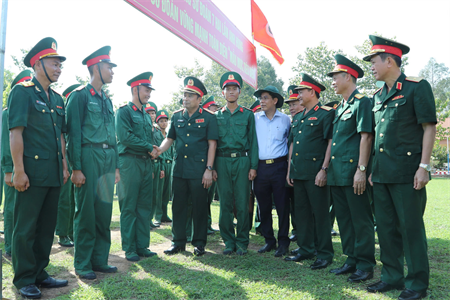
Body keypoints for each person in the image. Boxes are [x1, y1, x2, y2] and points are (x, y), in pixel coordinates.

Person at [364, 35, 436, 300]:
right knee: (385, 228)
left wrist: (424, 166)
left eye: (374, 61)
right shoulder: (378, 95)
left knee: (411, 229)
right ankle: (391, 277)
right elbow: (378, 137)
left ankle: (416, 284)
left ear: (390, 60)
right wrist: (372, 169)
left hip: (407, 173)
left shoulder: (417, 87)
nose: (371, 66)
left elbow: (429, 127)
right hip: (381, 174)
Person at [9, 37, 69, 299]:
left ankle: (39, 273)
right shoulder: (22, 92)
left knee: (46, 227)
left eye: (60, 65)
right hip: (31, 174)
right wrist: (18, 170)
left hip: (54, 173)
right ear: (38, 64)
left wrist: (65, 166)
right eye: (54, 64)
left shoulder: (56, 98)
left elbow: (61, 138)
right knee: (26, 227)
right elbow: (16, 133)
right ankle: (24, 278)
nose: (58, 68)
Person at [66, 46, 120, 280]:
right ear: (96, 68)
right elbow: (73, 135)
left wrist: (116, 165)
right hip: (88, 157)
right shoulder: (79, 96)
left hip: (108, 159)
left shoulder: (107, 100)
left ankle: (100, 260)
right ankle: (83, 263)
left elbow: (113, 135)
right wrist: (76, 168)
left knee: (103, 211)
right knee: (86, 212)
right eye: (109, 67)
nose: (112, 72)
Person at [153, 77, 218, 256]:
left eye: (190, 95)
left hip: (199, 171)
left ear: (199, 99)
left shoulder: (208, 117)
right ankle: (178, 242)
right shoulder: (176, 116)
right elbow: (170, 138)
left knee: (199, 206)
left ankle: (199, 243)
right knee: (178, 206)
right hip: (179, 169)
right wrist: (159, 149)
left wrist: (209, 169)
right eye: (184, 95)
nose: (185, 98)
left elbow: (212, 144)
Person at [326, 55, 376, 282]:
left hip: (353, 173)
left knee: (360, 219)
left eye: (335, 77)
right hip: (337, 174)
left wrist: (361, 170)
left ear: (347, 76)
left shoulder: (362, 102)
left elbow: (366, 137)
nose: (333, 82)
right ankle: (351, 259)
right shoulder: (341, 106)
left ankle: (365, 264)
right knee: (344, 219)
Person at [285, 73, 334, 270]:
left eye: (301, 91)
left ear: (312, 92)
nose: (297, 95)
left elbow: (330, 142)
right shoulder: (298, 118)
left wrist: (324, 169)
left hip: (316, 173)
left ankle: (324, 253)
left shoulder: (325, 113)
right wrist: (289, 170)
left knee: (320, 215)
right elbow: (292, 146)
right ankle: (306, 249)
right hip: (299, 173)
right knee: (302, 213)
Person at [213, 72, 258, 255]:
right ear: (223, 93)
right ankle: (228, 242)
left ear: (239, 92)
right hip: (222, 161)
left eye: (234, 89)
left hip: (242, 160)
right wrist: (213, 167)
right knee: (225, 203)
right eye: (228, 89)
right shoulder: (216, 116)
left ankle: (242, 242)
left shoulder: (248, 115)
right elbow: (213, 144)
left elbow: (253, 141)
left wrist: (253, 166)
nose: (231, 92)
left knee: (242, 202)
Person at [116, 72, 157, 262]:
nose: (148, 93)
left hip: (145, 163)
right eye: (145, 90)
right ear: (135, 89)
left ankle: (142, 246)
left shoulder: (147, 116)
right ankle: (130, 248)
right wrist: (149, 147)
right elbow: (125, 138)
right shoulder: (124, 111)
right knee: (129, 206)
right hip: (129, 163)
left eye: (150, 90)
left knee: (144, 207)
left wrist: (152, 152)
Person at [253, 85, 291, 257]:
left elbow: (290, 143)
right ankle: (269, 240)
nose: (262, 101)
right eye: (261, 98)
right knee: (263, 206)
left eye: (266, 97)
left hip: (279, 166)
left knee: (282, 206)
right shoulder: (254, 119)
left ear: (275, 100)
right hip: (260, 168)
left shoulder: (285, 120)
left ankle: (283, 242)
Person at [1, 70, 33, 257]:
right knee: (12, 208)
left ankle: (22, 246)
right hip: (12, 168)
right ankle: (11, 247)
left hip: (27, 165)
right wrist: (8, 170)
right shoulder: (8, 112)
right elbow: (7, 143)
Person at [55, 84, 82, 248]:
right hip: (64, 160)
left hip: (75, 160)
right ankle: (62, 233)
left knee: (74, 199)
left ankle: (72, 231)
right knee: (64, 199)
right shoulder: (63, 115)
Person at [285, 85, 305, 242]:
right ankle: (296, 229)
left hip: (305, 169)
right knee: (293, 202)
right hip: (290, 168)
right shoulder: (291, 122)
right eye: (290, 105)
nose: (291, 108)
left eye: (294, 104)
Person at [202, 96, 220, 234]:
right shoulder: (205, 121)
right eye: (213, 108)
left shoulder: (216, 121)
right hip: (205, 166)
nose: (216, 110)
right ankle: (204, 224)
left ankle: (207, 223)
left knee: (209, 198)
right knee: (203, 198)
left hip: (215, 166)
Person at [145, 101, 165, 227]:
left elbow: (161, 150)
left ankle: (151, 219)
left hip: (158, 164)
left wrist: (162, 168)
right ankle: (146, 220)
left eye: (153, 113)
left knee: (156, 193)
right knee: (148, 193)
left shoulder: (157, 130)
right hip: (148, 164)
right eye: (149, 113)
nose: (151, 115)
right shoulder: (145, 130)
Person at [154, 109, 174, 224]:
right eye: (161, 121)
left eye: (165, 121)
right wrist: (161, 167)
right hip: (161, 164)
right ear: (157, 123)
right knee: (159, 192)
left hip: (170, 164)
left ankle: (165, 215)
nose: (164, 123)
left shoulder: (169, 135)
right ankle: (158, 216)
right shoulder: (156, 134)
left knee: (167, 192)